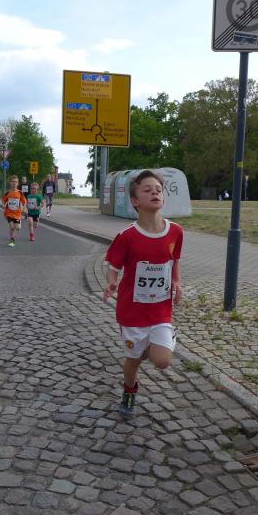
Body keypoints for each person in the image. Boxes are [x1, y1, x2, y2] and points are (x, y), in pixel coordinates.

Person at [102, 170, 183, 416]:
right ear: (135, 201)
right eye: (147, 190)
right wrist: (112, 283)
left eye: (158, 189)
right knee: (133, 361)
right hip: (132, 312)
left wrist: (177, 281)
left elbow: (174, 260)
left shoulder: (175, 232)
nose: (154, 193)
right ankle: (129, 389)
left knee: (163, 361)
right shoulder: (127, 236)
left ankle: (159, 342)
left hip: (160, 309)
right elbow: (113, 266)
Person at [2, 175, 26, 246]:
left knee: (18, 228)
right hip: (9, 213)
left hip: (17, 213)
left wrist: (23, 209)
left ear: (17, 183)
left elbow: (24, 202)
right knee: (11, 227)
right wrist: (3, 205)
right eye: (13, 181)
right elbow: (3, 200)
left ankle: (18, 222)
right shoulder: (7, 193)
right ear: (10, 183)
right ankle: (12, 239)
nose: (14, 183)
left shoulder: (20, 193)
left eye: (16, 182)